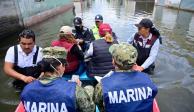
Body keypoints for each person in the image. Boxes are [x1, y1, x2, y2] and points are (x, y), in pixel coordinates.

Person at [20, 46, 95, 112]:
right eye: (65, 65)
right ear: (60, 66)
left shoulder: (26, 89)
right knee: (89, 88)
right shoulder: (74, 89)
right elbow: (90, 109)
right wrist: (78, 89)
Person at [93, 43, 158, 112]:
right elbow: (154, 92)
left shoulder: (103, 85)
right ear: (134, 62)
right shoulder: (147, 79)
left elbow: (97, 102)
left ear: (113, 62)